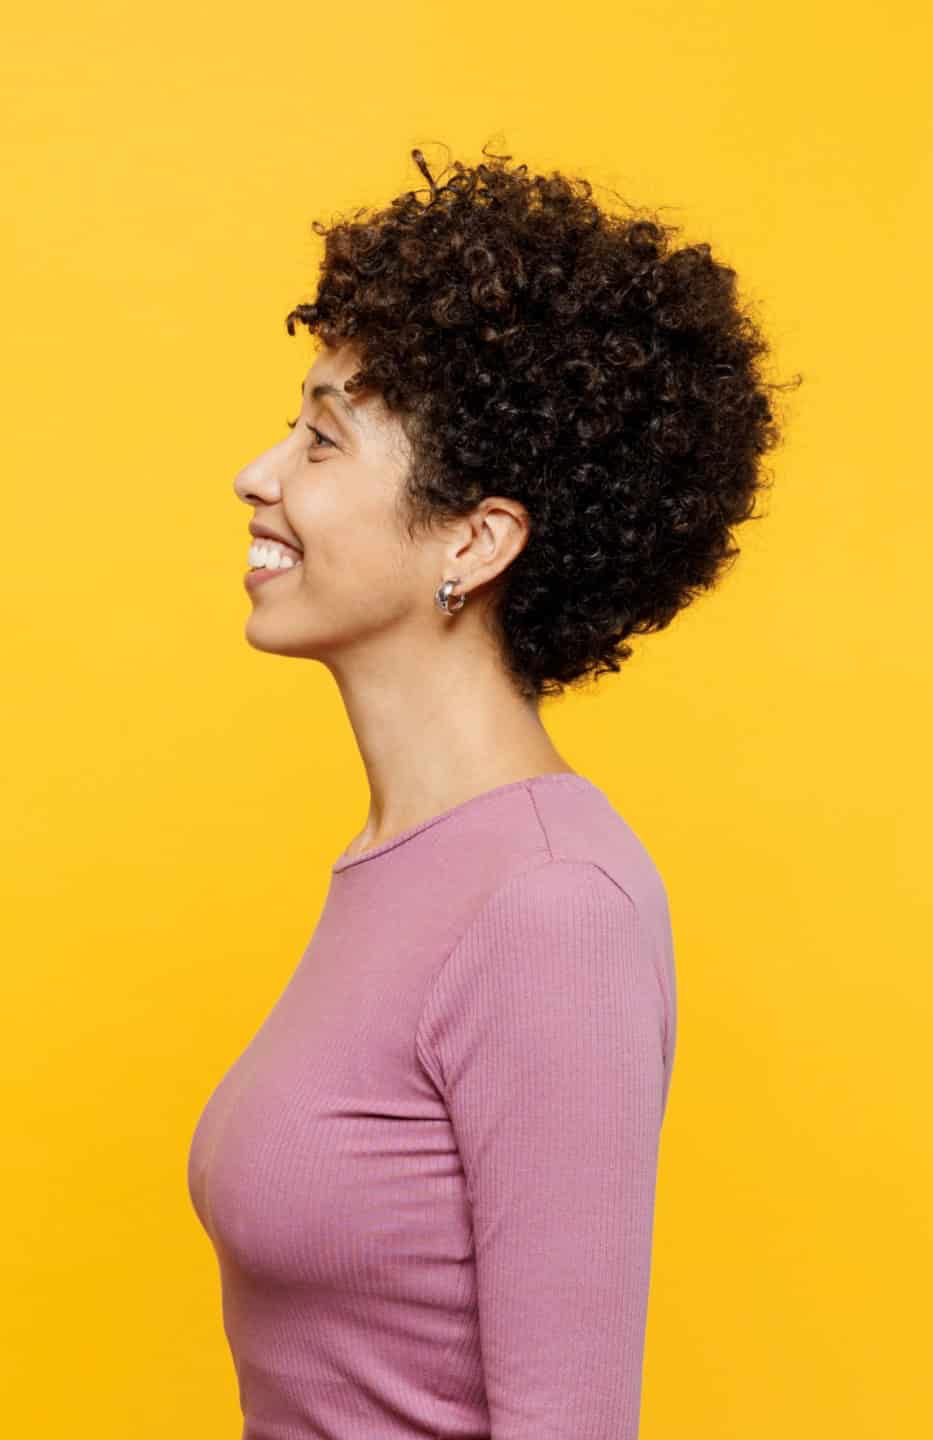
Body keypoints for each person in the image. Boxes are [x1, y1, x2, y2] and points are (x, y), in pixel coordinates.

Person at [188, 152, 781, 1439]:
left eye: (321, 439)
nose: (256, 473)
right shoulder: (406, 861)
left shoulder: (550, 906)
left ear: (475, 539)